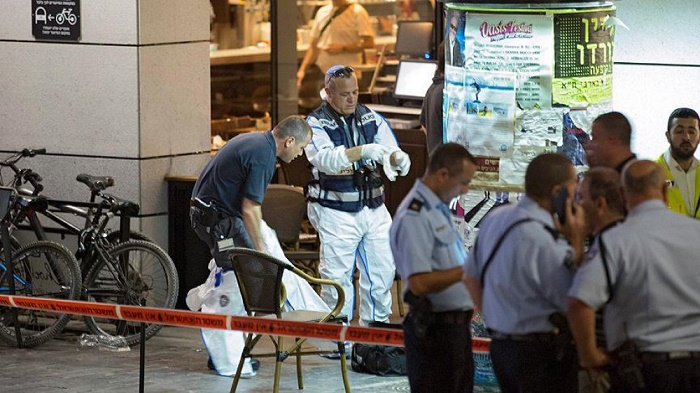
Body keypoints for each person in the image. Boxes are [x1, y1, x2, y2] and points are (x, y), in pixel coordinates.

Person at [567, 160, 700, 393]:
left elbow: (580, 302)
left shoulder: (616, 241)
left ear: (622, 193)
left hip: (649, 371)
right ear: (664, 192)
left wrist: (590, 356)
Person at [463, 153, 587, 393]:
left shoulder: (496, 218)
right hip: (540, 353)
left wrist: (495, 319)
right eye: (574, 187)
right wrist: (577, 244)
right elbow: (572, 299)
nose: (576, 194)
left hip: (502, 346)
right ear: (557, 192)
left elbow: (470, 277)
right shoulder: (547, 239)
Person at [304, 65, 412, 325]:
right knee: (337, 279)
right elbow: (326, 159)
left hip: (374, 208)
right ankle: (338, 345)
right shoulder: (316, 123)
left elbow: (388, 148)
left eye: (355, 92)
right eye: (345, 94)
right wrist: (362, 151)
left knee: (381, 273)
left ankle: (375, 338)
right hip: (335, 210)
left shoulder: (370, 116)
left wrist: (397, 158)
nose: (352, 99)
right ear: (328, 93)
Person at [390, 143, 477, 393]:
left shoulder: (437, 209)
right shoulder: (415, 215)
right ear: (442, 175)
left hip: (454, 329)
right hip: (435, 331)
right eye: (464, 182)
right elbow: (419, 282)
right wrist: (469, 268)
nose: (466, 189)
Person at [190, 115, 312, 266]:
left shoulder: (256, 141)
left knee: (233, 261)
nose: (300, 154)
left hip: (205, 215)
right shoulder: (263, 157)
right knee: (251, 266)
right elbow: (250, 208)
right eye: (301, 148)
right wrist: (261, 249)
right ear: (290, 141)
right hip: (219, 223)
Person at [296, 0, 374, 89]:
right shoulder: (321, 12)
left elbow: (369, 43)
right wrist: (302, 70)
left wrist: (343, 48)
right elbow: (314, 46)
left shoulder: (358, 12)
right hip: (324, 74)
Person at [656, 107, 700, 217]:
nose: (686, 137)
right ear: (668, 136)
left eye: (692, 131)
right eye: (679, 131)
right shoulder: (653, 173)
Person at [420, 41, 445, 155]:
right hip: (448, 167)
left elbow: (424, 125)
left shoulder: (433, 88)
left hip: (436, 163)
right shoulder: (446, 91)